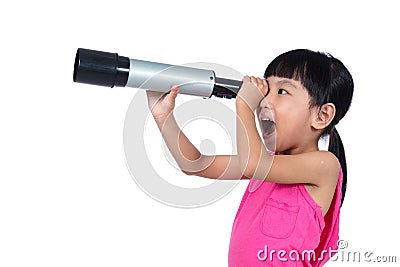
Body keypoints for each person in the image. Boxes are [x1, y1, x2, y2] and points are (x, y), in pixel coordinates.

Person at [146, 49, 354, 266]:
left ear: (322, 116)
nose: (263, 101)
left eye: (282, 91)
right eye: (265, 91)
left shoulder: (324, 165)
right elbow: (195, 164)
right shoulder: (265, 162)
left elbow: (255, 164)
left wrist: (244, 105)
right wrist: (164, 116)